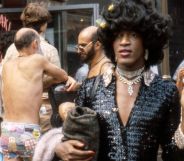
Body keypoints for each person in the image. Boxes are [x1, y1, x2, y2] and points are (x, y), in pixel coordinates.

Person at [54, 0, 184, 161]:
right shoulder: (90, 88)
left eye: (133, 35)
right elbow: (75, 142)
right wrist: (60, 148)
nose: (124, 42)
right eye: (118, 35)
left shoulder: (165, 91)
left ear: (147, 40)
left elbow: (173, 154)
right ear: (110, 41)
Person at [0, 28, 76, 161]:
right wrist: (68, 78)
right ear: (35, 43)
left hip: (7, 129)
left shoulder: (6, 65)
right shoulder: (38, 60)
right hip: (28, 130)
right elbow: (62, 76)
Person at [3, 2, 62, 134]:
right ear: (44, 24)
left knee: (15, 153)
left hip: (12, 117)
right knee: (40, 153)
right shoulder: (49, 50)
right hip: (41, 113)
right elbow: (59, 80)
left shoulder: (11, 50)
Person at [58, 26, 112, 121]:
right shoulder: (93, 65)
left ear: (97, 45)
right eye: (78, 47)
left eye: (83, 46)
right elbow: (95, 87)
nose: (79, 51)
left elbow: (106, 107)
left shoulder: (106, 68)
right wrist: (78, 86)